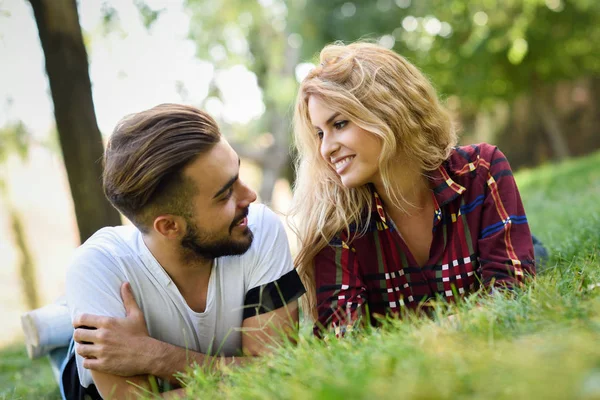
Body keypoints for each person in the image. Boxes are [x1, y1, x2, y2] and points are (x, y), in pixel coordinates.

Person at [41, 104, 305, 399]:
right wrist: (248, 375)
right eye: (226, 194)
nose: (250, 196)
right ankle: (59, 329)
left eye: (238, 174)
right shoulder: (96, 266)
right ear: (168, 226)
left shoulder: (257, 227)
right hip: (86, 384)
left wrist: (153, 354)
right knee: (77, 344)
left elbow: (279, 372)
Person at [289, 42, 537, 337]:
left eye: (340, 124)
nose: (326, 148)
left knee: (536, 252)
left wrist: (420, 336)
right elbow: (340, 338)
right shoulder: (336, 220)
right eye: (319, 133)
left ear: (388, 111)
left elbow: (512, 291)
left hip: (500, 239)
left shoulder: (481, 170)